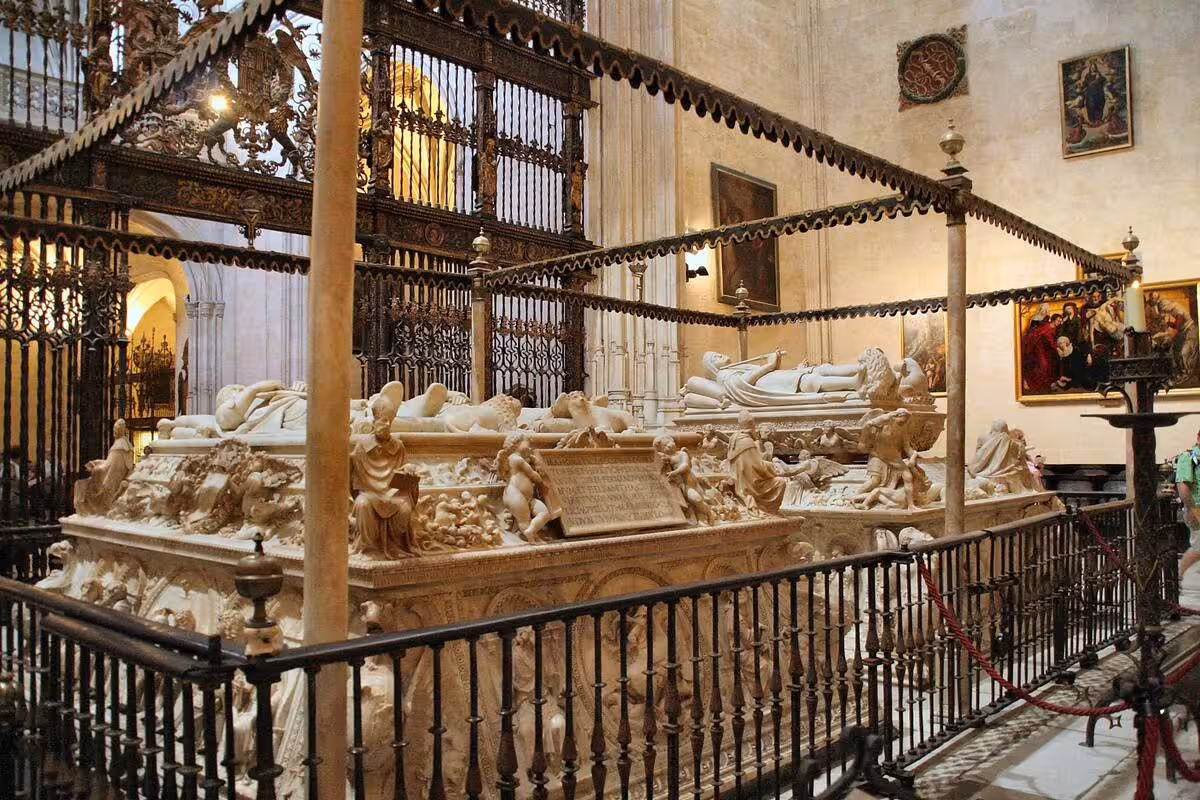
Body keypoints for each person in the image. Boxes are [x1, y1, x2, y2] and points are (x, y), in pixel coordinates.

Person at [1176, 429, 1200, 577]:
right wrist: (1191, 510)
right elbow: (1183, 486)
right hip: (1197, 508)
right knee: (1198, 548)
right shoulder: (1188, 456)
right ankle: (1178, 576)